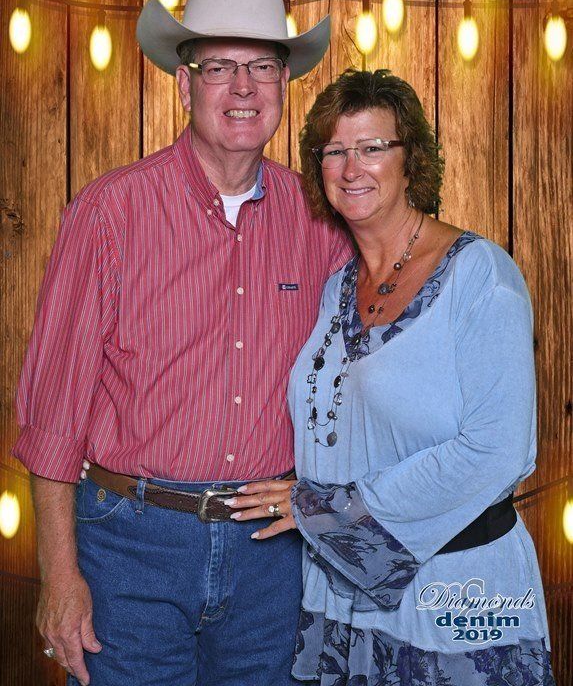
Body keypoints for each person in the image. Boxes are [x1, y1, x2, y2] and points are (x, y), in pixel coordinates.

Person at [12, 0, 353, 686]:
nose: (242, 88)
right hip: (129, 548)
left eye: (262, 67)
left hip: (272, 558)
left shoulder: (319, 221)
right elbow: (55, 414)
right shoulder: (110, 213)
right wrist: (60, 576)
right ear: (183, 83)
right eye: (220, 67)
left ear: (283, 87)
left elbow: (358, 381)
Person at [226, 69, 556, 685]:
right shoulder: (335, 289)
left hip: (456, 591)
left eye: (373, 147)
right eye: (335, 151)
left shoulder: (481, 276)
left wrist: (322, 509)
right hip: (344, 596)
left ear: (412, 162)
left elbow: (499, 451)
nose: (352, 168)